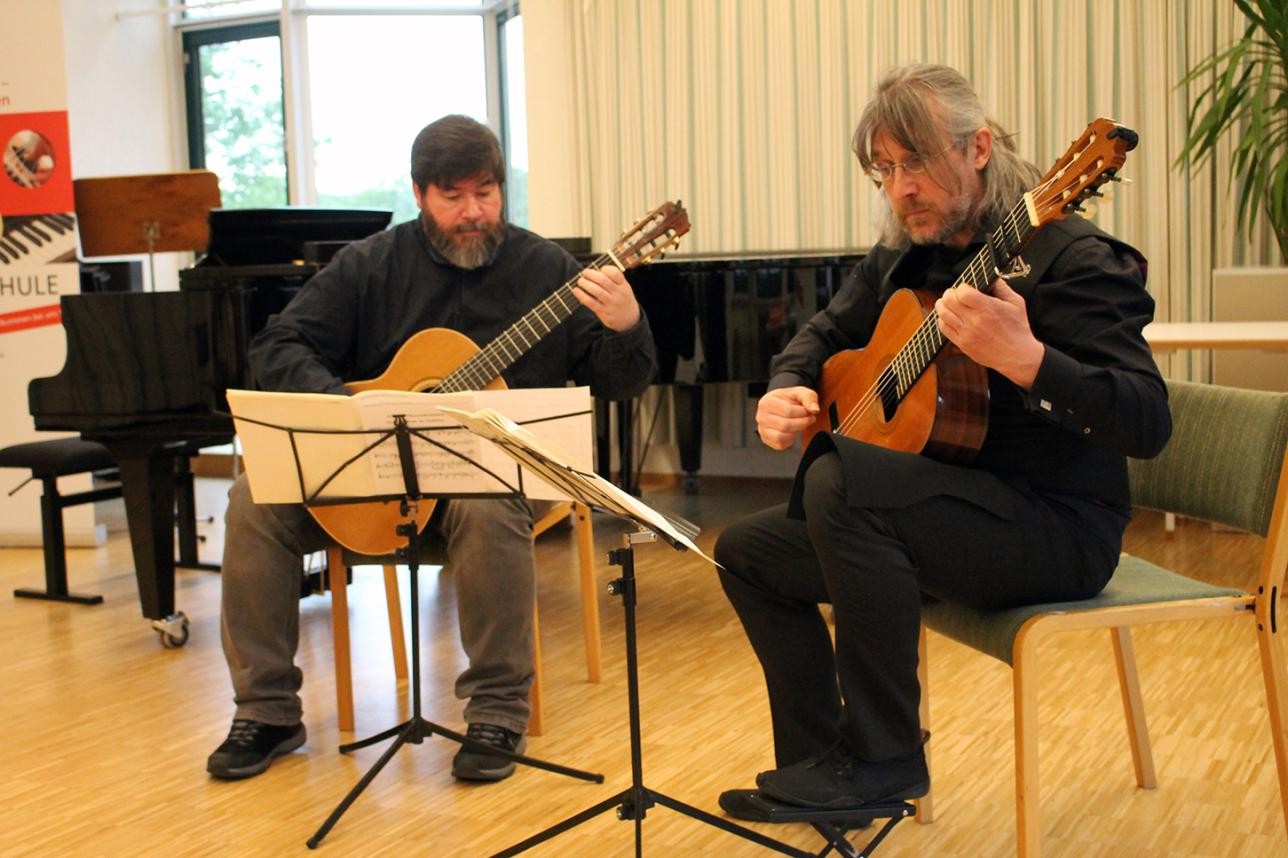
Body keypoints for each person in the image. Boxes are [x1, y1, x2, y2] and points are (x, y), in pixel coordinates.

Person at [714, 64, 1171, 818]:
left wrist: (1028, 360)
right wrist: (787, 385)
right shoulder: (909, 251)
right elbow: (825, 331)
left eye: (916, 162)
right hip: (937, 516)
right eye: (885, 170)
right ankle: (820, 765)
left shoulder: (1073, 261)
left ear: (979, 148)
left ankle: (885, 759)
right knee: (748, 553)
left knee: (840, 484)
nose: (900, 189)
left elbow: (1147, 421)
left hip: (1057, 527)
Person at [206, 114, 657, 782]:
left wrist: (627, 322)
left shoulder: (546, 269)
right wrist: (347, 410)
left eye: (486, 192)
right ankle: (267, 710)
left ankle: (497, 712)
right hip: (375, 475)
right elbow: (278, 344)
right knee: (255, 497)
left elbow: (620, 381)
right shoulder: (371, 265)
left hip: (495, 482)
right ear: (420, 195)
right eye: (453, 196)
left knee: (485, 501)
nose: (474, 211)